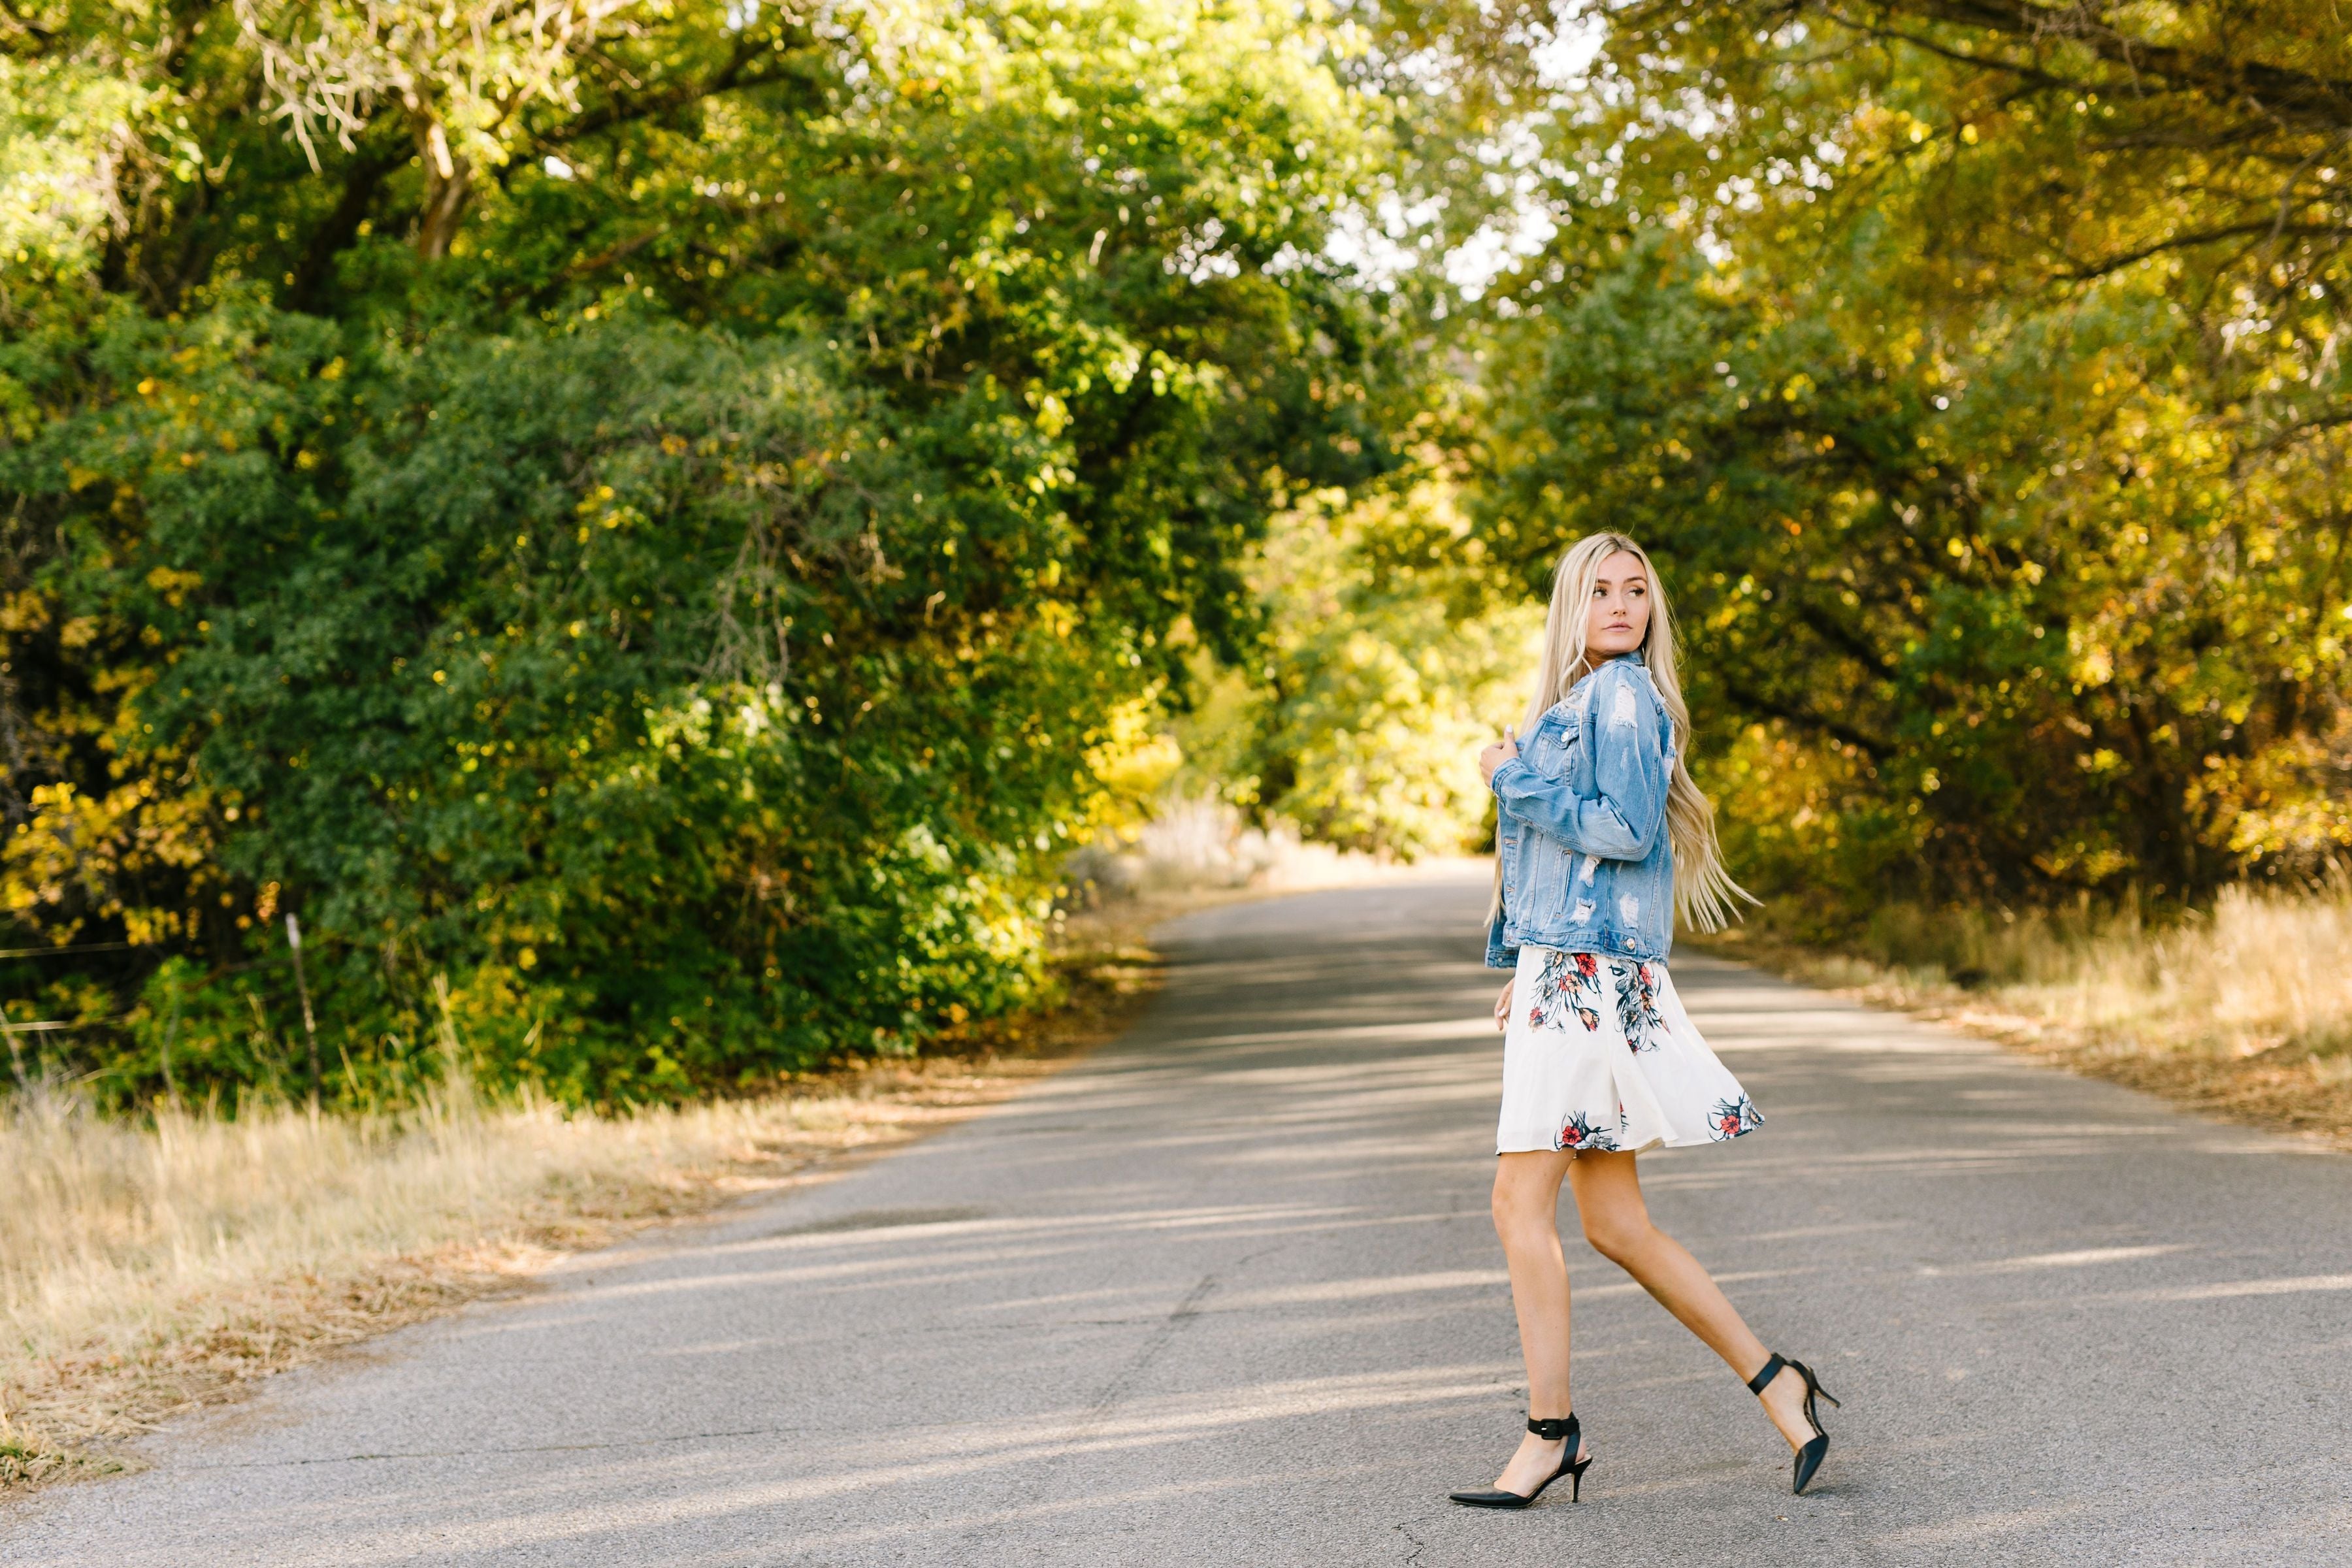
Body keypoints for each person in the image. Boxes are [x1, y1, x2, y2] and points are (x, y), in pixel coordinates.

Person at [1446, 531, 1840, 1510]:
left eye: (1636, 592)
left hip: (1585, 982)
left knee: (1516, 1206)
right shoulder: (1588, 699)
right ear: (1571, 607)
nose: (1622, 606)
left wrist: (1507, 775)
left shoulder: (1620, 697)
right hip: (1571, 974)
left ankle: (1550, 1434)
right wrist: (1534, 965)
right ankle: (1779, 1385)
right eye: (1601, 591)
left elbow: (1622, 833)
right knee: (1617, 1225)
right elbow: (1580, 874)